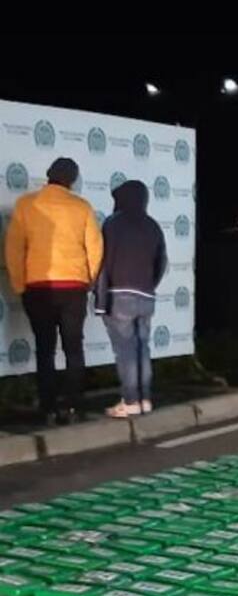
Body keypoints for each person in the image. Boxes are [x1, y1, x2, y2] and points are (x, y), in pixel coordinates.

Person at [3, 157, 103, 426]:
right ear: (72, 180)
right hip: (73, 288)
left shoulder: (26, 204)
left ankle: (47, 408)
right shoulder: (81, 207)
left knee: (44, 349)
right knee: (73, 347)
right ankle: (73, 407)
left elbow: (13, 249)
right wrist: (89, 279)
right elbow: (95, 248)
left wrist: (19, 285)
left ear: (48, 176)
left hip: (38, 288)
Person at [93, 180, 167, 418]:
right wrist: (149, 285)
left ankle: (131, 401)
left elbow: (101, 264)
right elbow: (161, 262)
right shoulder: (153, 226)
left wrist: (100, 301)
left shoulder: (112, 224)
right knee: (142, 348)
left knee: (125, 351)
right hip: (146, 296)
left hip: (118, 295)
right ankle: (144, 399)